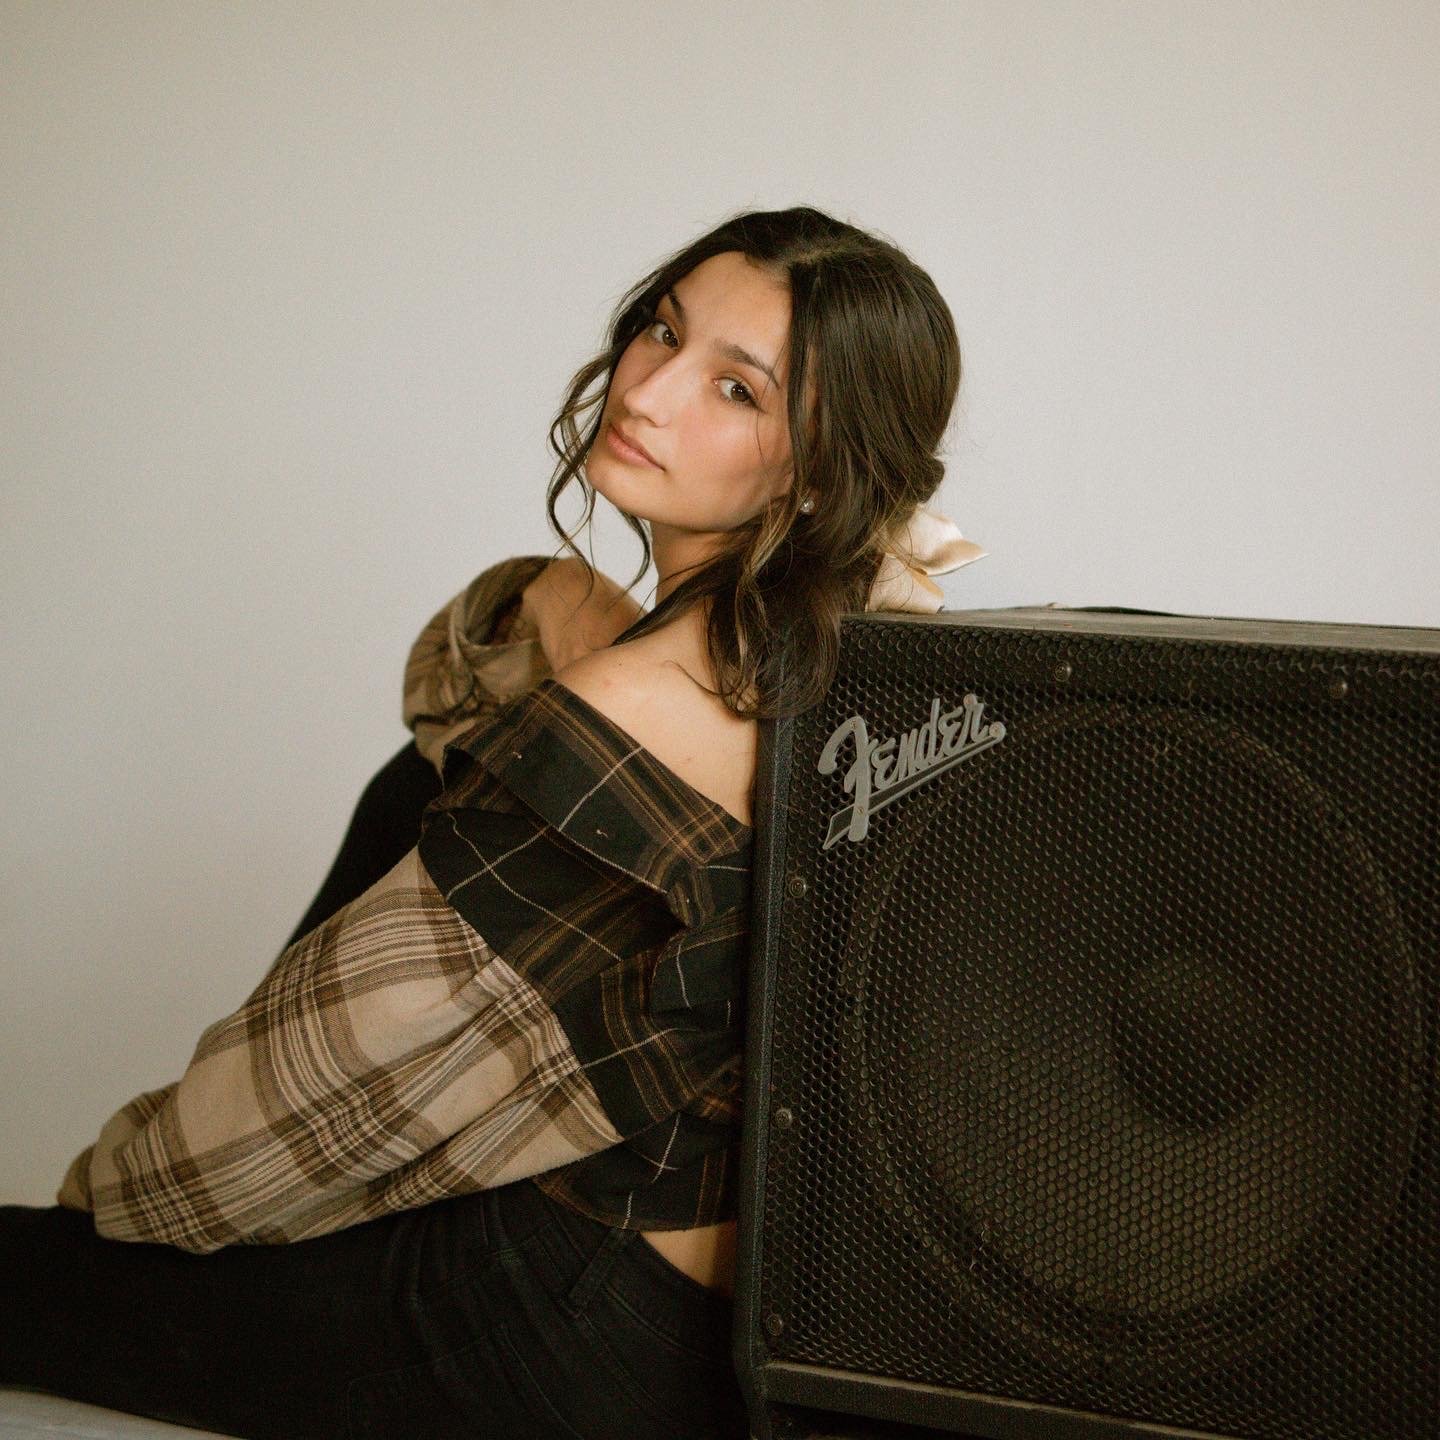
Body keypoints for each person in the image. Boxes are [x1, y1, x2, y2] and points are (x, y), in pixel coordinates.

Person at [0, 205, 984, 1439]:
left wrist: (116, 1205)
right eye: (663, 333)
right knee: (422, 788)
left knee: (32, 1275)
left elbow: (259, 1145)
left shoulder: (632, 707)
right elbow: (466, 696)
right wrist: (569, 609)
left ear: (815, 464)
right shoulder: (863, 645)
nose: (652, 389)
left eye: (735, 389)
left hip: (566, 1328)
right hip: (748, 1335)